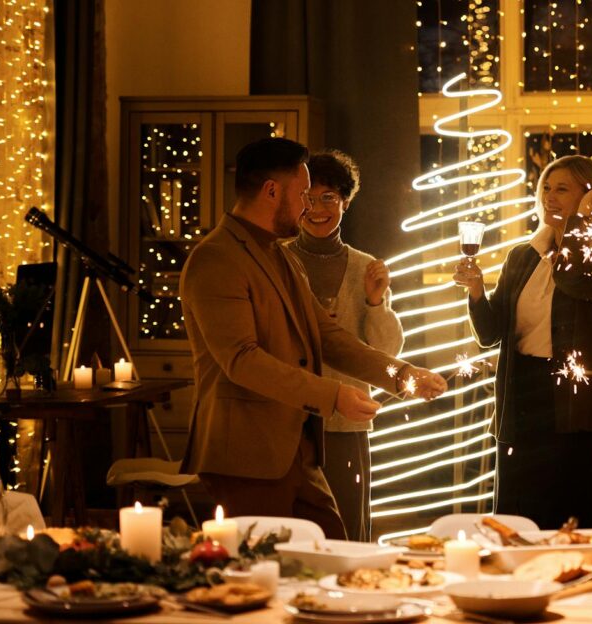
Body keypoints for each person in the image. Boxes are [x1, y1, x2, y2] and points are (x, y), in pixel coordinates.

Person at [179, 137, 446, 540]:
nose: (308, 206)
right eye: (302, 194)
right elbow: (242, 359)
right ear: (272, 191)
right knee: (262, 575)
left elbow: (327, 335)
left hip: (297, 451)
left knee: (336, 550)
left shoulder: (280, 255)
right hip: (245, 455)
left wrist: (401, 374)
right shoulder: (216, 257)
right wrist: (333, 395)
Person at [452, 155, 592, 530]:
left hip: (570, 399)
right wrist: (475, 291)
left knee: (565, 516)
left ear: (590, 195)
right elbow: (490, 334)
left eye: (563, 190)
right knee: (518, 516)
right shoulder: (522, 255)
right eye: (546, 189)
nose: (550, 197)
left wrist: (585, 215)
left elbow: (572, 279)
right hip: (521, 395)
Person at [282, 149, 402, 542]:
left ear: (345, 202)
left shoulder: (366, 267)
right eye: (308, 198)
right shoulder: (277, 260)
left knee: (347, 528)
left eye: (328, 198)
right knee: (293, 529)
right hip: (287, 415)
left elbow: (386, 350)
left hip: (345, 418)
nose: (317, 209)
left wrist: (373, 301)